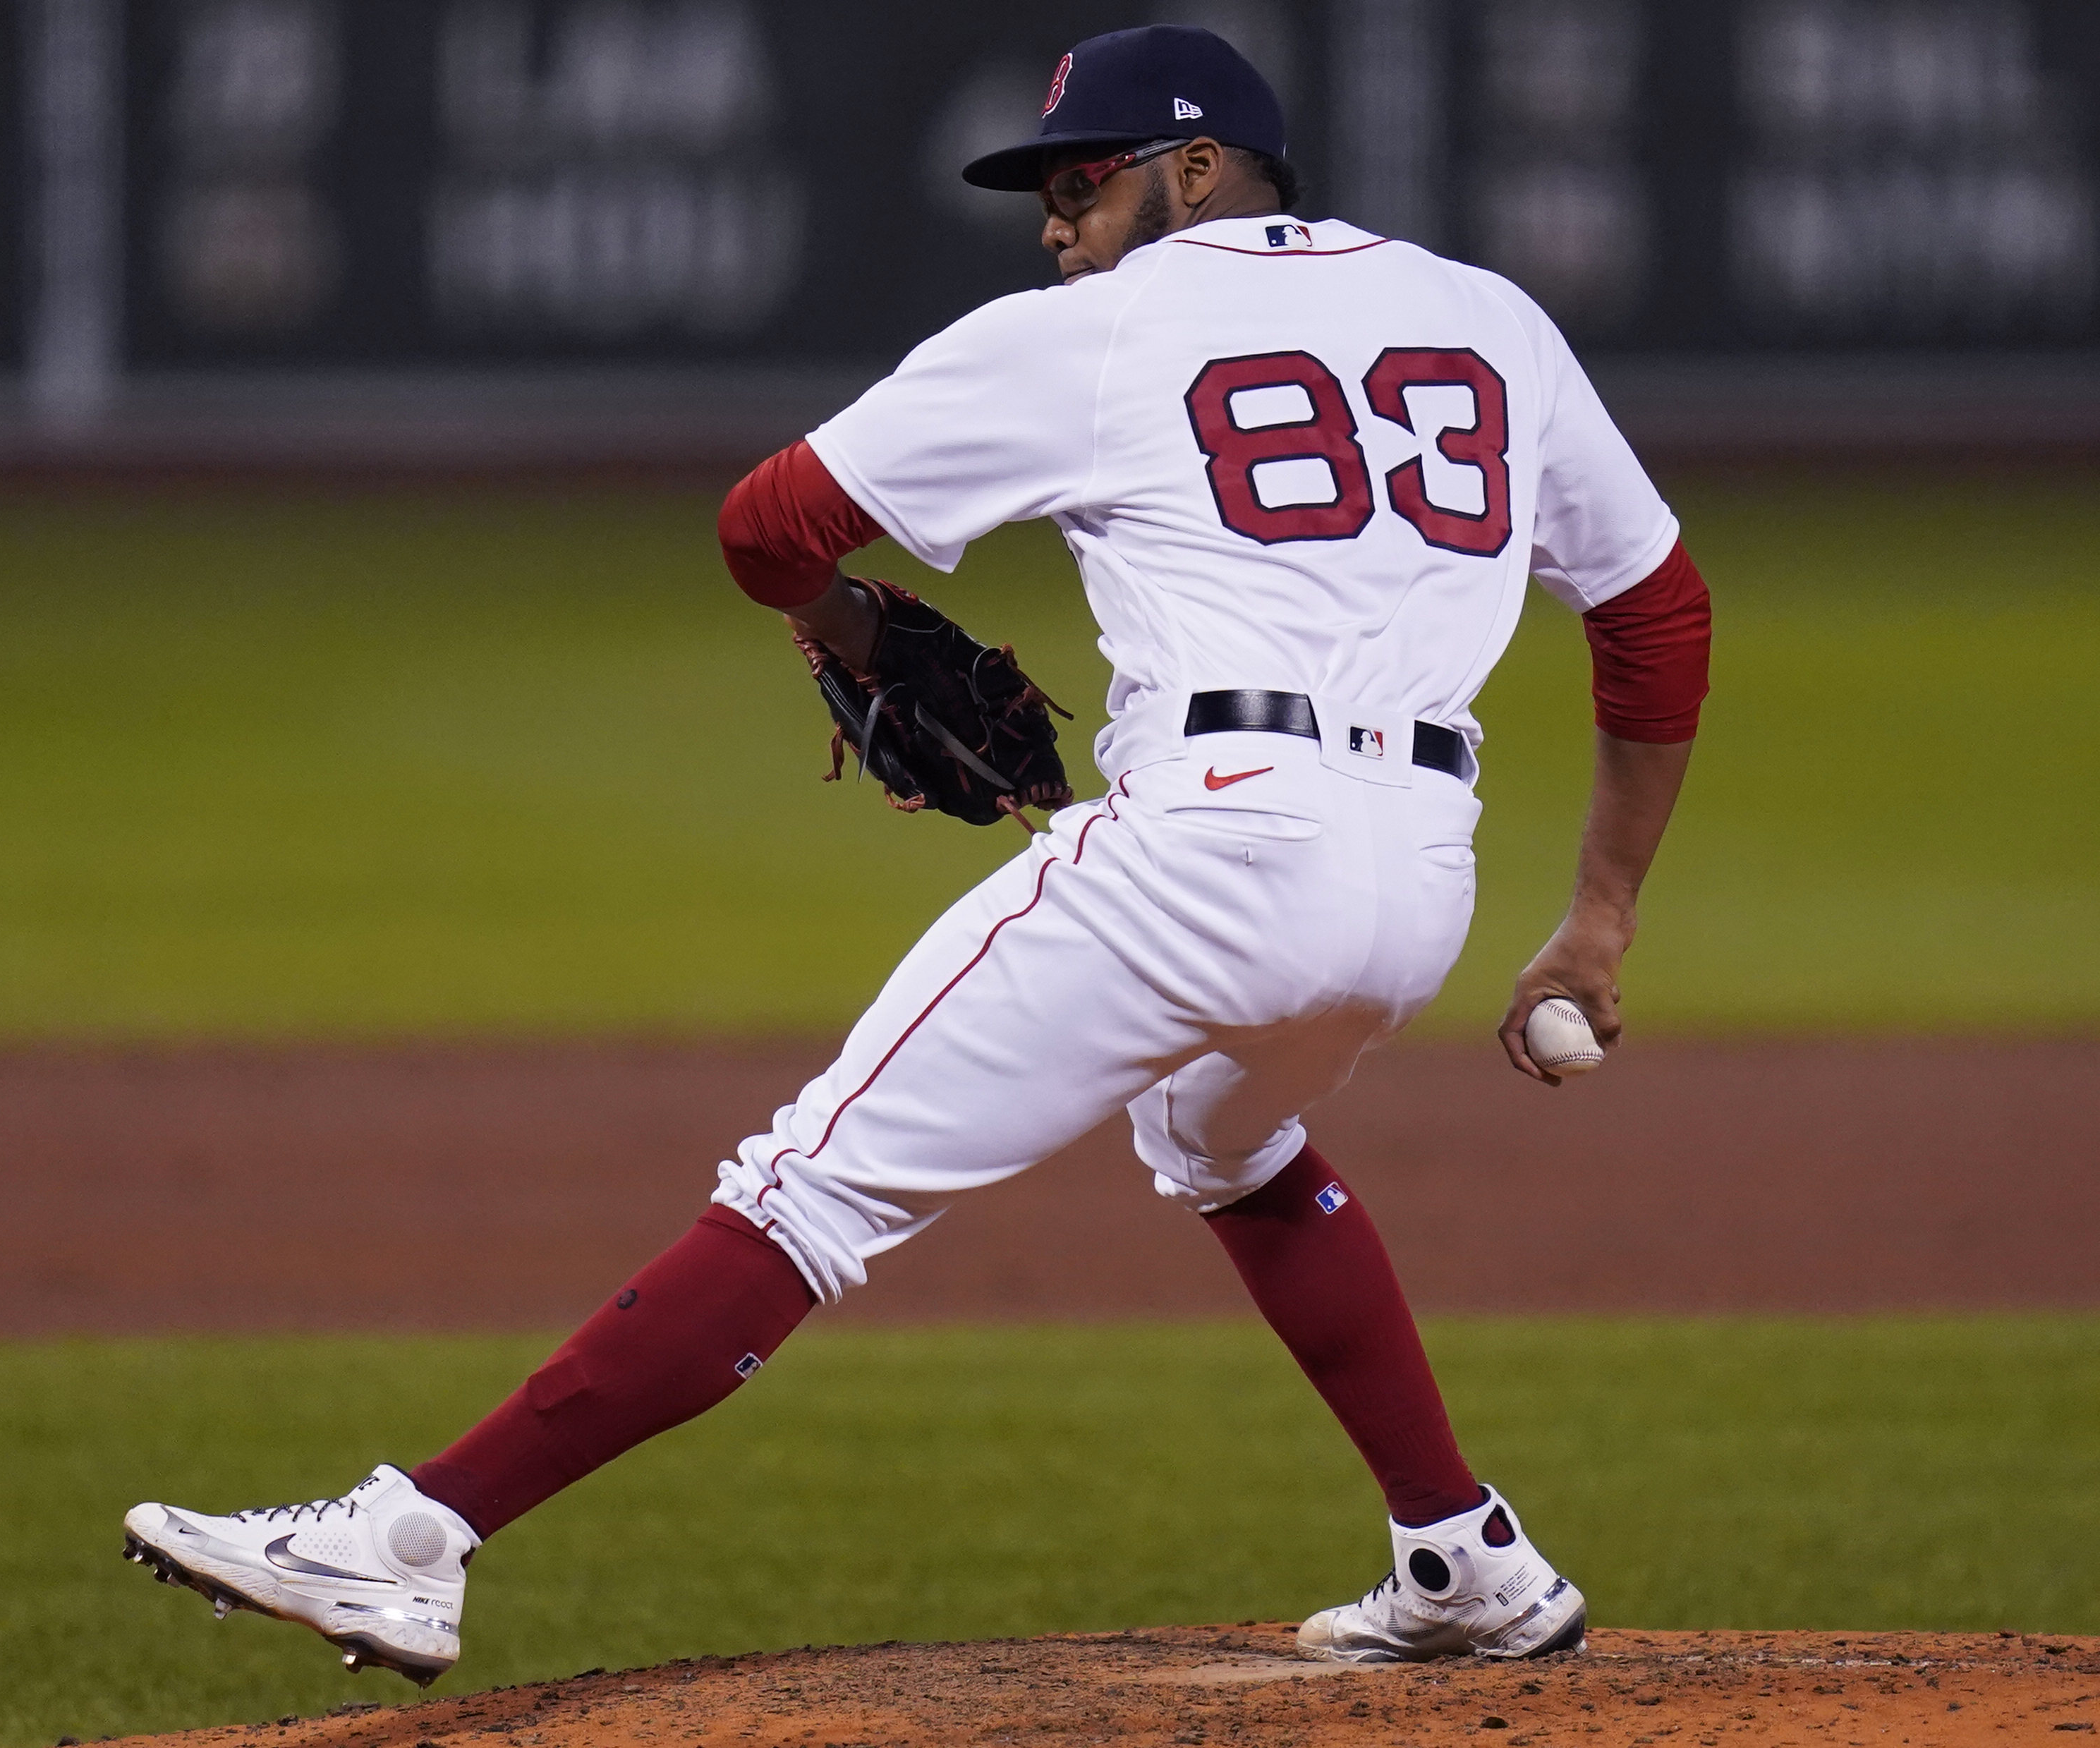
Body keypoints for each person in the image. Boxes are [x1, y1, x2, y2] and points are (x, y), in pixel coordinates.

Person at [121, 23, 1710, 1680]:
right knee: (1221, 1134)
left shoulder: (1097, 333)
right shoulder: (1488, 317)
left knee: (807, 1190)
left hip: (1217, 850)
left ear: (1191, 172)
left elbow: (765, 527)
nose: (1053, 220)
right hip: (1420, 884)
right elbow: (1654, 611)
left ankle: (405, 1543)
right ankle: (1460, 1557)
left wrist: (857, 636)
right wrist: (1594, 920)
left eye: (1081, 181)